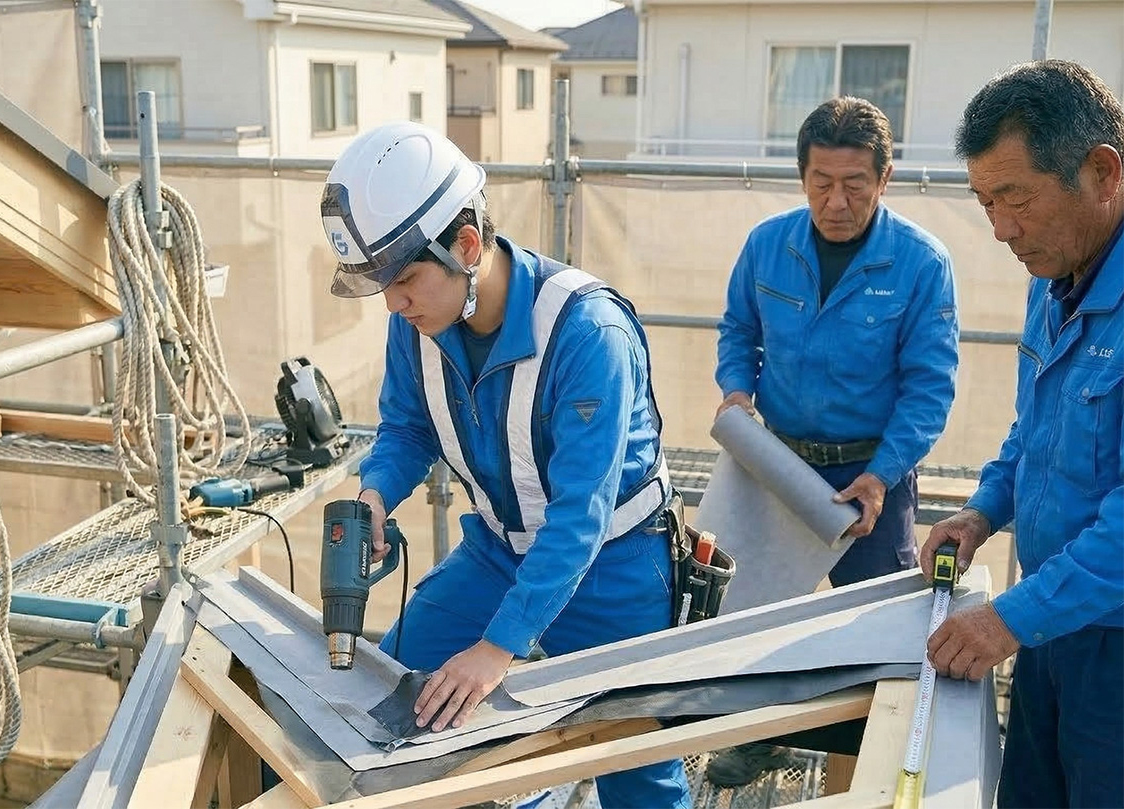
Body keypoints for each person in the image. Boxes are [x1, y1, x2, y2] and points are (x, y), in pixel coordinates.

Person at [320, 121, 691, 809]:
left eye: (403, 280)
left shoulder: (588, 335)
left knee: (636, 767)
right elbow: (406, 426)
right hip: (498, 552)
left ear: (465, 243)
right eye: (383, 289)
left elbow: (580, 515)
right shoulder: (418, 321)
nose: (394, 305)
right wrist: (375, 494)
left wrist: (498, 649)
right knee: (393, 691)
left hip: (613, 568)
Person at [708, 96, 960, 787]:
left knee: (873, 639)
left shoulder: (919, 264)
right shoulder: (767, 245)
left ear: (884, 180)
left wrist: (882, 474)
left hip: (868, 480)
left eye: (855, 184)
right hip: (779, 466)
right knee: (756, 620)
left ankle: (857, 779)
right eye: (822, 182)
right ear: (802, 177)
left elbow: (929, 387)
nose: (837, 200)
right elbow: (737, 330)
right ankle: (760, 737)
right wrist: (737, 390)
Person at [920, 60, 1124, 809]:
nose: (1001, 229)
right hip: (1049, 623)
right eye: (984, 202)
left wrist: (1009, 618)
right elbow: (1035, 431)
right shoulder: (1055, 271)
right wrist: (982, 511)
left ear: (1102, 173)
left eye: (1016, 199)